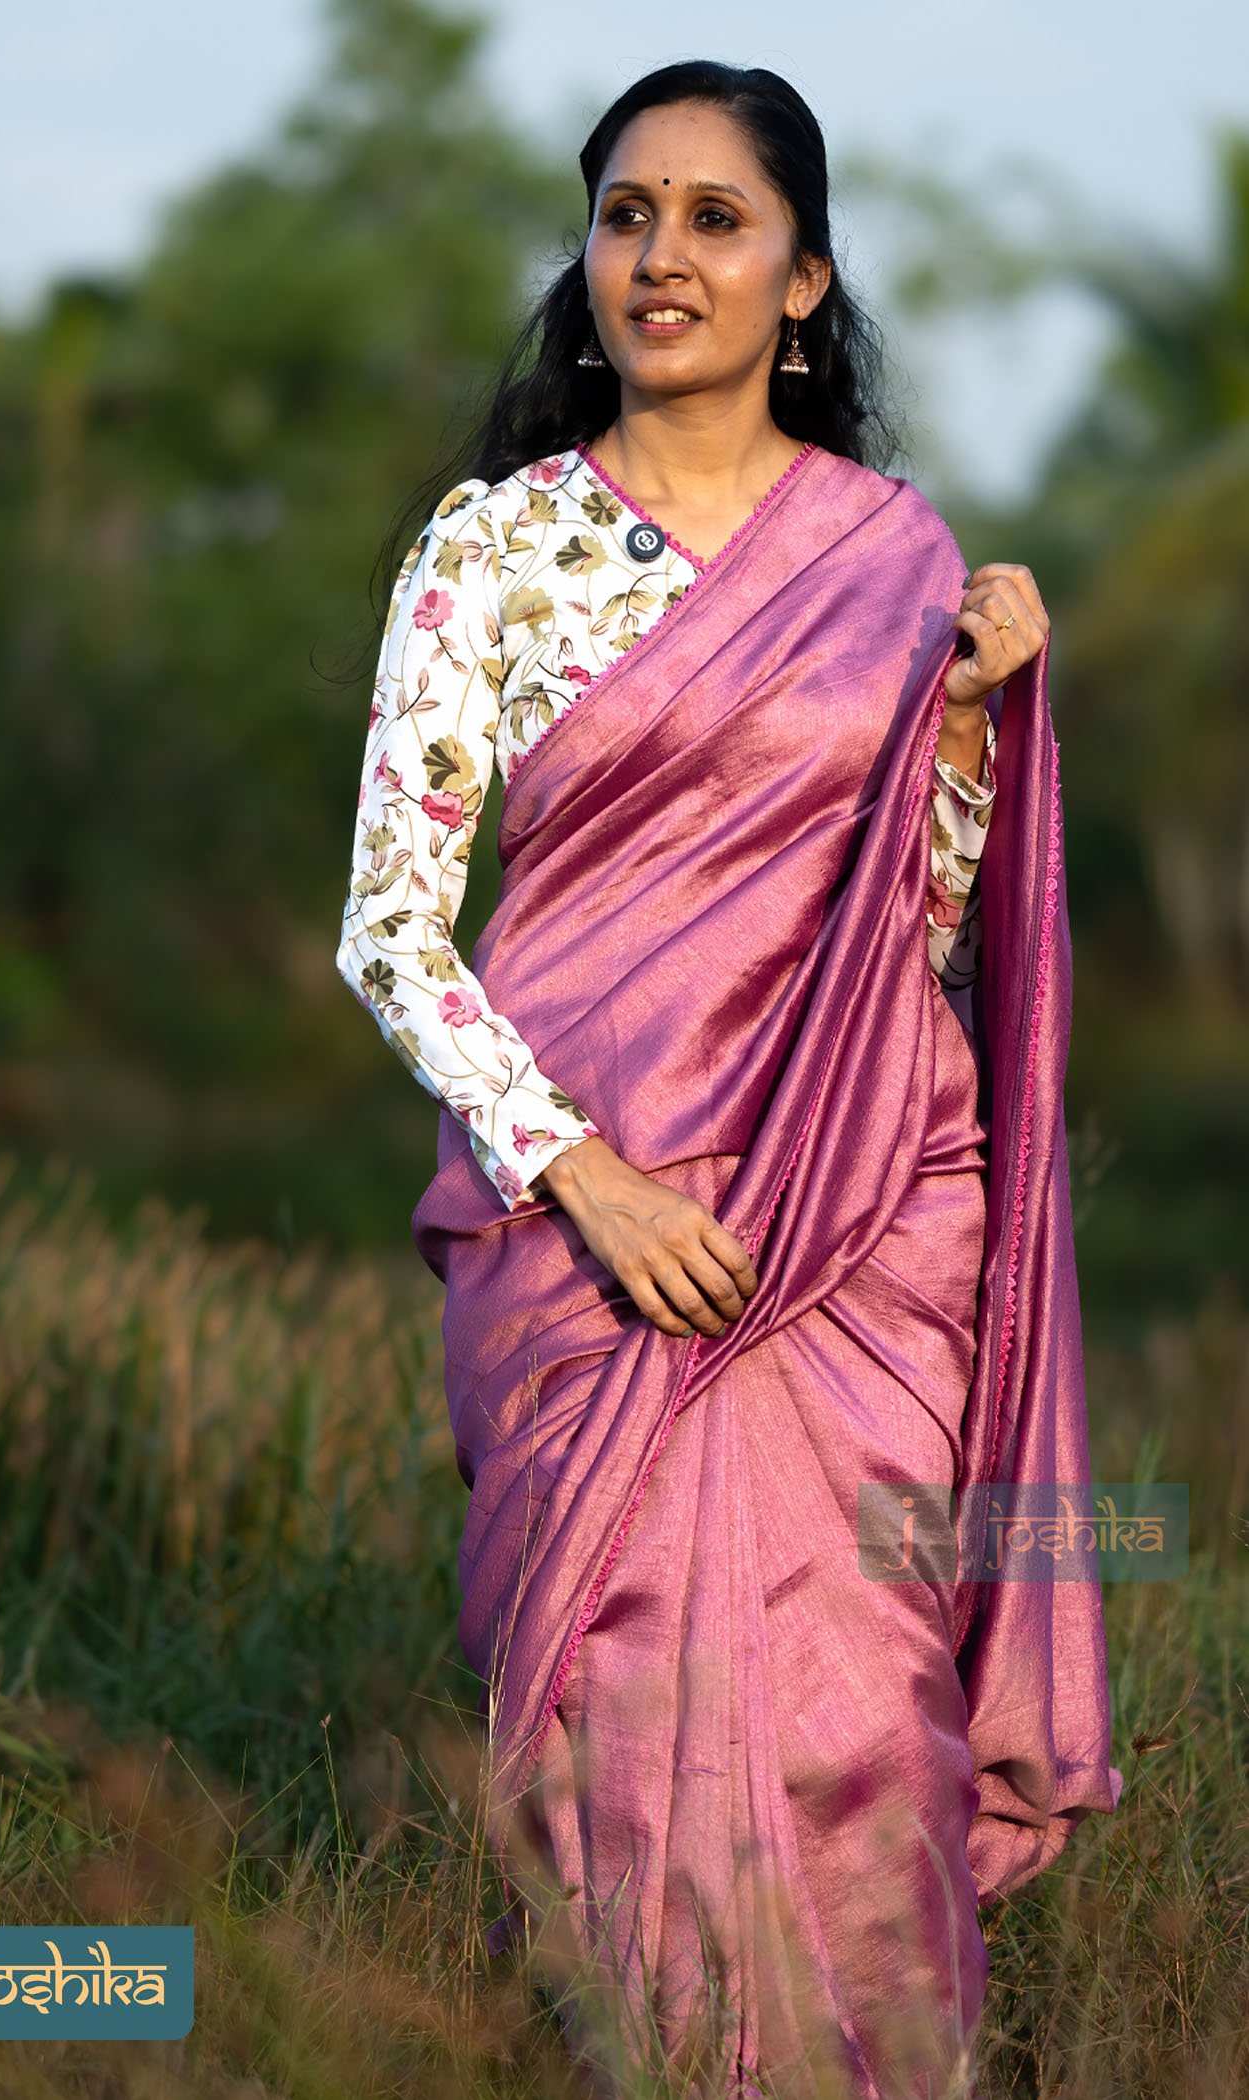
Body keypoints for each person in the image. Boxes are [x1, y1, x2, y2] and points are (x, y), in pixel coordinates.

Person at [335, 61, 1121, 2100]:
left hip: (859, 1229)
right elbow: (394, 931)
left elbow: (922, 930)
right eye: (627, 215)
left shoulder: (893, 559)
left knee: (862, 1704)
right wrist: (589, 1182)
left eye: (715, 218)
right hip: (590, 1246)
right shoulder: (497, 550)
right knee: (630, 1719)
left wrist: (978, 727)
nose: (661, 255)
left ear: (805, 279)